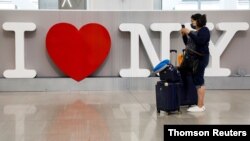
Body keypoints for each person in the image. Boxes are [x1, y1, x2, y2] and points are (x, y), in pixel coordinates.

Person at [180, 13, 210, 112]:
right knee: (197, 80)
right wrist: (184, 35)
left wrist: (188, 32)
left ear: (198, 21)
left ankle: (200, 106)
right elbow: (189, 44)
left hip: (201, 59)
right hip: (194, 59)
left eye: (193, 21)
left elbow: (200, 41)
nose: (191, 23)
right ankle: (199, 104)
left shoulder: (204, 30)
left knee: (199, 80)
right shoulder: (196, 32)